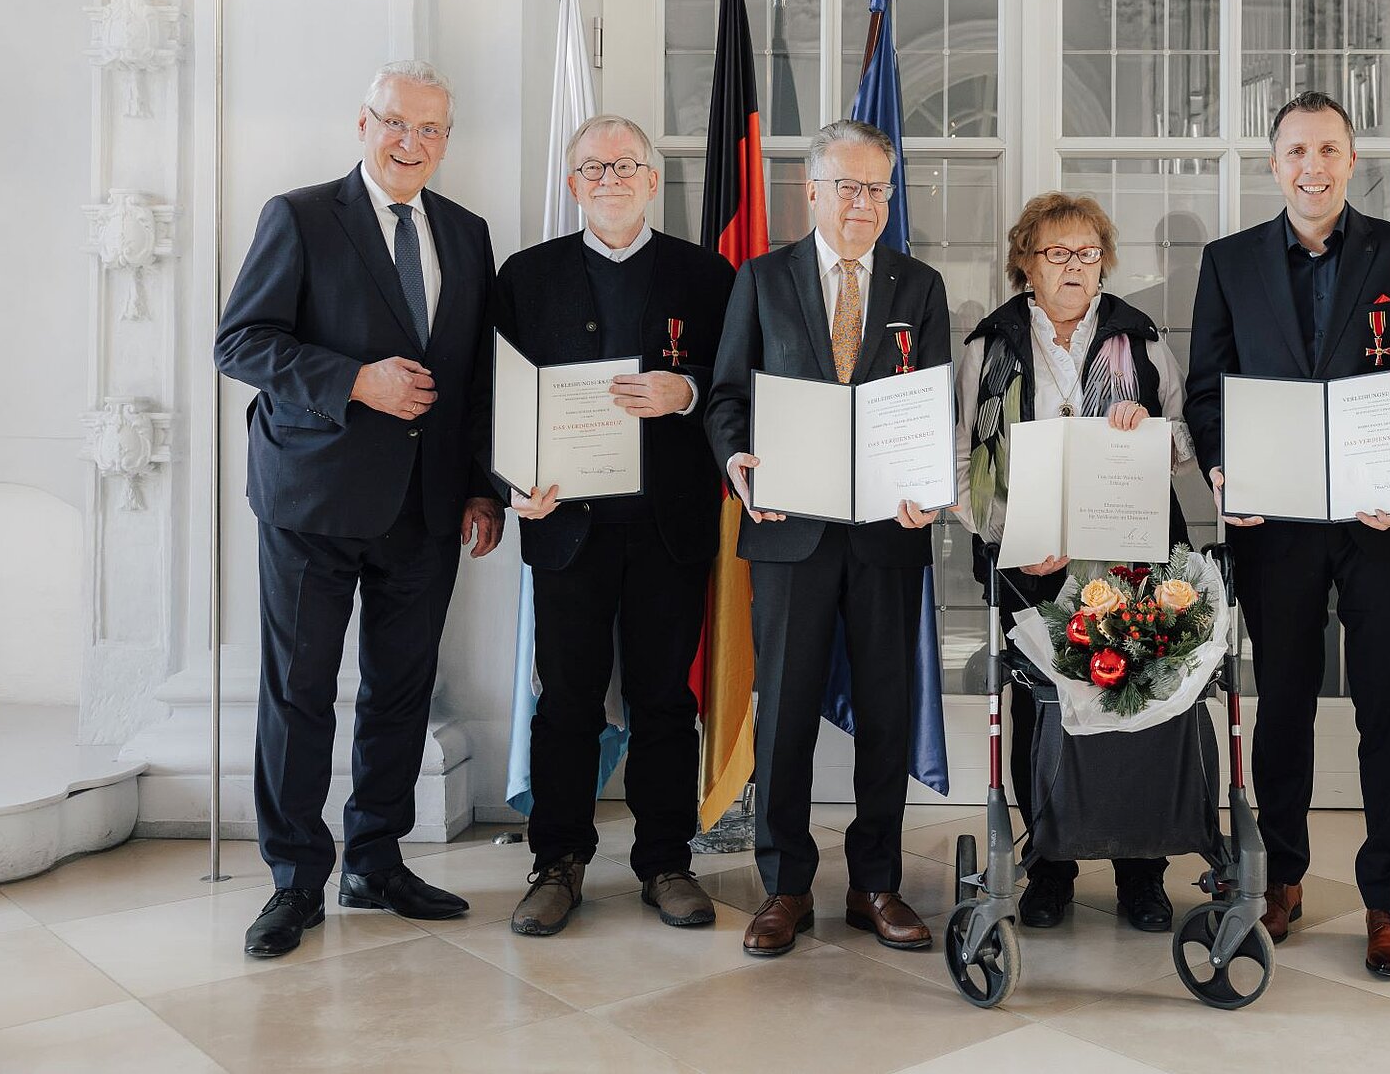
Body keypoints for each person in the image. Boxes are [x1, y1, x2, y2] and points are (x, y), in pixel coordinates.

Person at [215, 60, 503, 957]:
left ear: (446, 140)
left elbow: (475, 377)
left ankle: (374, 860)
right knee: (300, 692)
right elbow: (241, 341)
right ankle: (296, 879)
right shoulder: (299, 216)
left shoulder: (466, 232)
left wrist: (484, 487)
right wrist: (354, 382)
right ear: (363, 123)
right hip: (313, 496)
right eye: (396, 124)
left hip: (426, 507)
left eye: (431, 130)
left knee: (399, 690)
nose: (411, 143)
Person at [1185, 90, 1390, 978]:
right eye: (1297, 150)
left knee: (1387, 707)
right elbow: (1205, 390)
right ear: (1275, 164)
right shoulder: (1229, 263)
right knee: (1286, 707)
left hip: (1383, 525)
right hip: (1277, 525)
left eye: (1330, 149)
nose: (1314, 166)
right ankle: (1281, 875)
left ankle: (1389, 901)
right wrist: (1224, 469)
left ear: (1352, 159)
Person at [704, 119, 952, 957]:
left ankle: (875, 883)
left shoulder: (920, 286)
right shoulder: (762, 279)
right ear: (809, 191)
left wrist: (929, 487)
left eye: (879, 187)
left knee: (887, 711)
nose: (865, 203)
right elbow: (726, 397)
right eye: (847, 186)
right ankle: (785, 886)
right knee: (786, 719)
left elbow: (934, 409)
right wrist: (738, 461)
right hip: (789, 532)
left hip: (887, 533)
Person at [494, 115, 735, 936]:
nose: (608, 179)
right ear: (572, 184)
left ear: (651, 179)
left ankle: (666, 860)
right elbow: (497, 398)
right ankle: (556, 861)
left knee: (665, 700)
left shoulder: (708, 277)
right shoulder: (524, 277)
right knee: (566, 701)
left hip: (670, 528)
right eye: (591, 168)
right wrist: (510, 482)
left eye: (624, 164)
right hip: (565, 527)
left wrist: (689, 392)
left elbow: (740, 384)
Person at [953, 191, 1194, 933]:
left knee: (1138, 708)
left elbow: (1187, 443)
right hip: (1031, 568)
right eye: (1056, 253)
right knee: (1044, 711)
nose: (1074, 267)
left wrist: (1153, 427)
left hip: (1131, 566)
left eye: (1087, 253)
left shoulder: (1141, 337)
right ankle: (1051, 864)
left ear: (1104, 261)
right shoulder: (986, 346)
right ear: (1025, 262)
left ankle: (1141, 871)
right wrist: (1011, 535)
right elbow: (961, 463)